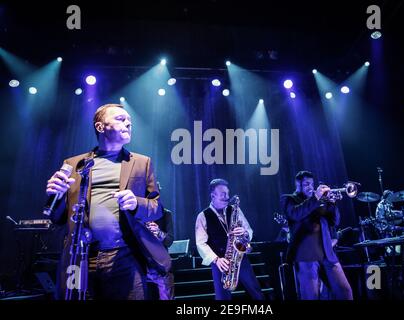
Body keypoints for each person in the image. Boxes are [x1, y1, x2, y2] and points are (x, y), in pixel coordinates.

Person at [45, 103, 171, 300]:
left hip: (124, 256)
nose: (128, 124)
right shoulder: (74, 164)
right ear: (100, 127)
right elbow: (57, 218)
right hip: (80, 257)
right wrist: (57, 195)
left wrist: (137, 203)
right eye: (121, 119)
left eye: (130, 120)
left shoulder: (141, 162)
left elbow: (157, 208)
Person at [280, 170, 353, 300]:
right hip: (306, 255)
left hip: (327, 253)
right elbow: (296, 214)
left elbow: (334, 222)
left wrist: (332, 204)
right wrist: (316, 198)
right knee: (311, 296)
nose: (311, 187)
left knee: (345, 291)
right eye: (307, 184)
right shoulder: (289, 199)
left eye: (312, 184)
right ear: (298, 185)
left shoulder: (318, 201)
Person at [195, 178, 264, 300]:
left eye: (227, 193)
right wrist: (216, 260)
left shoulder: (234, 210)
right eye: (223, 194)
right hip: (220, 263)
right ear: (213, 196)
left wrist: (245, 233)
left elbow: (249, 230)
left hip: (240, 258)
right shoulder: (202, 216)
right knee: (222, 298)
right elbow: (200, 243)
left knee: (256, 293)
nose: (227, 197)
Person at [145, 204, 175, 300]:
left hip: (161, 267)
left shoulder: (165, 213)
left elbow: (169, 241)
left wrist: (159, 232)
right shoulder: (135, 213)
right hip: (142, 266)